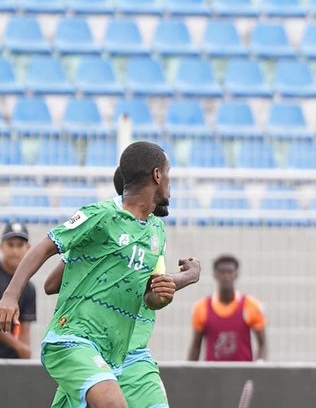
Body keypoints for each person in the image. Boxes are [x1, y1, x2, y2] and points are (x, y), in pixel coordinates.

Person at [0, 141, 175, 408]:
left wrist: (164, 294)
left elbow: (147, 294)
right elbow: (45, 247)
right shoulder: (100, 215)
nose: (171, 181)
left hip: (115, 353)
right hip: (73, 339)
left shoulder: (156, 232)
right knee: (114, 404)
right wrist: (11, 295)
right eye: (169, 172)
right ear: (157, 175)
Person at [44, 167, 201, 408]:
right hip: (92, 341)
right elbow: (51, 284)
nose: (168, 189)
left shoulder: (155, 233)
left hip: (132, 352)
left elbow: (152, 289)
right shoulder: (107, 227)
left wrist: (182, 280)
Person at [188, 254, 267, 362]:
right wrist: (189, 370)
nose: (226, 276)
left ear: (236, 274)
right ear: (215, 275)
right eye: (222, 272)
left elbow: (263, 345)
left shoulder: (251, 306)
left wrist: (260, 364)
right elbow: (195, 348)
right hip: (213, 371)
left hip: (243, 371)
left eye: (230, 272)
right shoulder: (202, 308)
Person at [0, 222, 36, 359]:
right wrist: (18, 346)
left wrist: (24, 354)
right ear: (1, 247)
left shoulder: (29, 288)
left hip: (10, 359)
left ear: (28, 248)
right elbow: (20, 345)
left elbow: (25, 330)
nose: (15, 251)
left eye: (19, 245)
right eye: (10, 245)